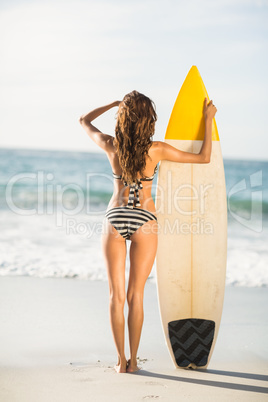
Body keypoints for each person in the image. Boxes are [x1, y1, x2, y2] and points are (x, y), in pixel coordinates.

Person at [79, 90, 217, 373]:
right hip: (144, 219)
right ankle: (134, 362)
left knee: (115, 296)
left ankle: (119, 361)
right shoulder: (156, 150)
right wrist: (207, 119)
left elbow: (84, 120)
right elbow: (203, 158)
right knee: (135, 296)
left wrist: (113, 104)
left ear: (123, 118)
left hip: (115, 216)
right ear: (148, 119)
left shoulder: (110, 144)